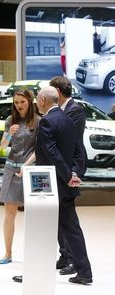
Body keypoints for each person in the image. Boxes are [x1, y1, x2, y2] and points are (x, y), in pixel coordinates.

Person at [34, 86, 92, 285]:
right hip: (66, 184)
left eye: (36, 98)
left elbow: (51, 153)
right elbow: (78, 151)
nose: (36, 102)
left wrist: (68, 175)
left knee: (41, 228)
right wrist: (74, 173)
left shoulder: (47, 121)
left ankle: (35, 274)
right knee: (71, 229)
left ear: (43, 100)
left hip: (49, 184)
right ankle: (84, 272)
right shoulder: (68, 119)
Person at [50, 76, 87, 274]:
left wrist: (71, 171)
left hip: (70, 168)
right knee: (58, 216)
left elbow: (71, 144)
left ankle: (73, 259)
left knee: (68, 218)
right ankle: (65, 256)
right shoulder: (60, 111)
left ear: (57, 90)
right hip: (59, 169)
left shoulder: (75, 111)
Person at [0, 89, 40, 264]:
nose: (19, 105)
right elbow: (2, 147)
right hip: (11, 170)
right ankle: (8, 253)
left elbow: (39, 149)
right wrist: (9, 134)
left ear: (30, 102)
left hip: (29, 170)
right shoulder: (10, 121)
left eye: (22, 102)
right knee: (9, 213)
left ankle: (34, 253)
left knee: (34, 215)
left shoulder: (38, 121)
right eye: (16, 102)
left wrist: (27, 165)